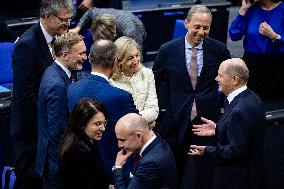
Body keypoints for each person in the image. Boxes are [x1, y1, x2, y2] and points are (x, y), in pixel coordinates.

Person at [152, 4, 231, 188]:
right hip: (175, 121)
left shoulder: (219, 50)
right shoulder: (167, 50)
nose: (201, 32)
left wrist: (226, 118)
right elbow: (154, 84)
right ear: (186, 24)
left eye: (206, 27)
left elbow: (229, 85)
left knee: (205, 172)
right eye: (197, 26)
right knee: (174, 171)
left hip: (207, 122)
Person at [10, 0, 73, 188]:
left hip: (50, 125)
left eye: (70, 19)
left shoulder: (60, 39)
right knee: (29, 182)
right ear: (47, 17)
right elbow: (25, 96)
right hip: (31, 131)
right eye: (63, 20)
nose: (67, 24)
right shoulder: (27, 45)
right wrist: (46, 124)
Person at [189, 58, 266, 189]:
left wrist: (207, 150)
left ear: (235, 80)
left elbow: (236, 150)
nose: (216, 79)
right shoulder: (251, 98)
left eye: (220, 75)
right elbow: (243, 132)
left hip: (238, 179)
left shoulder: (240, 110)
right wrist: (218, 128)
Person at [67, 39, 138, 178]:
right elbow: (136, 131)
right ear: (114, 62)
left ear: (90, 59)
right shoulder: (122, 97)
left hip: (78, 168)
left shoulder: (71, 89)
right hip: (112, 170)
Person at [35, 32, 87, 188]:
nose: (85, 57)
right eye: (81, 53)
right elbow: (58, 132)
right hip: (58, 167)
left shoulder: (55, 72)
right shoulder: (56, 84)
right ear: (65, 55)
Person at [229, 0, 284, 101]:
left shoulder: (282, 9)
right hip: (251, 66)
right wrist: (242, 10)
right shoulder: (251, 9)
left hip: (276, 67)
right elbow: (234, 35)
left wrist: (275, 37)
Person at [113, 113, 177, 189]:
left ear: (139, 136)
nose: (119, 145)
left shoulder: (150, 163)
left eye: (123, 140)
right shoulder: (159, 141)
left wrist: (118, 168)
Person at [59, 98, 110, 189]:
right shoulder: (78, 153)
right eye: (97, 124)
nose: (103, 128)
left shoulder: (88, 142)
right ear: (82, 124)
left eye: (104, 123)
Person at [110, 36, 158, 127]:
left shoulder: (147, 74)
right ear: (119, 61)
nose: (136, 61)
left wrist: (134, 121)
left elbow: (153, 109)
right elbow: (118, 117)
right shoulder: (111, 81)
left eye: (137, 55)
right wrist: (145, 119)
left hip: (145, 130)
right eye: (130, 58)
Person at [69, 7, 146, 46]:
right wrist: (77, 28)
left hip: (136, 30)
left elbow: (137, 55)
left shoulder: (131, 33)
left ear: (113, 36)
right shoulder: (97, 14)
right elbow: (89, 12)